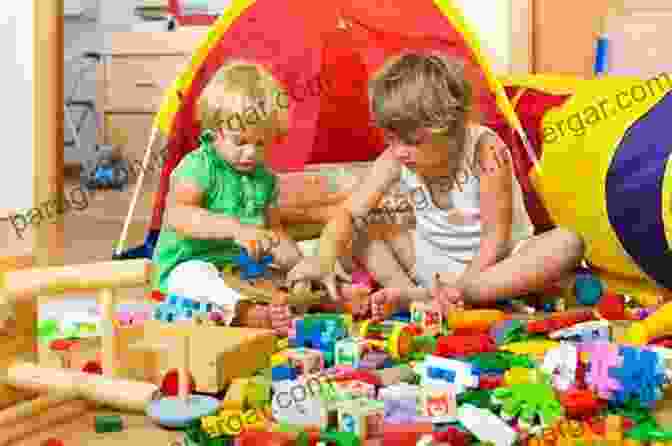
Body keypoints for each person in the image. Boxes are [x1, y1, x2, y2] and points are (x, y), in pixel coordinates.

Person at [287, 52, 585, 321]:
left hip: (497, 266)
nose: (399, 150)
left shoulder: (485, 149)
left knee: (566, 243)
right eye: (391, 138)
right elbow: (349, 213)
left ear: (452, 130)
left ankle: (451, 297)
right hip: (432, 264)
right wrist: (322, 257)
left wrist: (462, 288)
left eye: (411, 140)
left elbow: (495, 237)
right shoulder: (396, 158)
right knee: (363, 226)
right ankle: (406, 293)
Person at [151, 60, 302, 332]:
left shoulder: (264, 179)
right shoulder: (200, 165)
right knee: (196, 278)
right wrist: (236, 230)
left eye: (260, 143)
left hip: (239, 270)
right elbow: (180, 214)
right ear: (213, 130)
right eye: (240, 141)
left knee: (288, 278)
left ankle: (326, 300)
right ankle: (250, 315)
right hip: (187, 266)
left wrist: (300, 265)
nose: (250, 153)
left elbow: (274, 230)